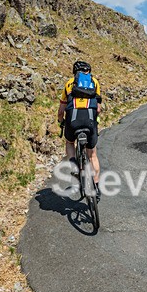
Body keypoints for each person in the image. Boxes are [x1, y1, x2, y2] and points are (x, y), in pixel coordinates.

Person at [57, 60, 102, 199]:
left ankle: (73, 164)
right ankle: (96, 187)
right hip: (90, 121)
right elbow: (98, 109)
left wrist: (61, 121)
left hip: (73, 121)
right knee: (92, 155)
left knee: (70, 142)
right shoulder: (94, 82)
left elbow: (61, 110)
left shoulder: (69, 84)